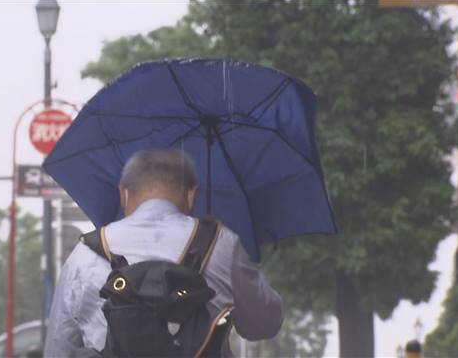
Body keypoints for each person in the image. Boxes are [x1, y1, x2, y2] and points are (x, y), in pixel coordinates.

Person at [44, 149, 283, 357]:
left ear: (123, 194)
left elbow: (59, 347)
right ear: (192, 194)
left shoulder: (86, 253)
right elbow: (263, 325)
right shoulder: (221, 243)